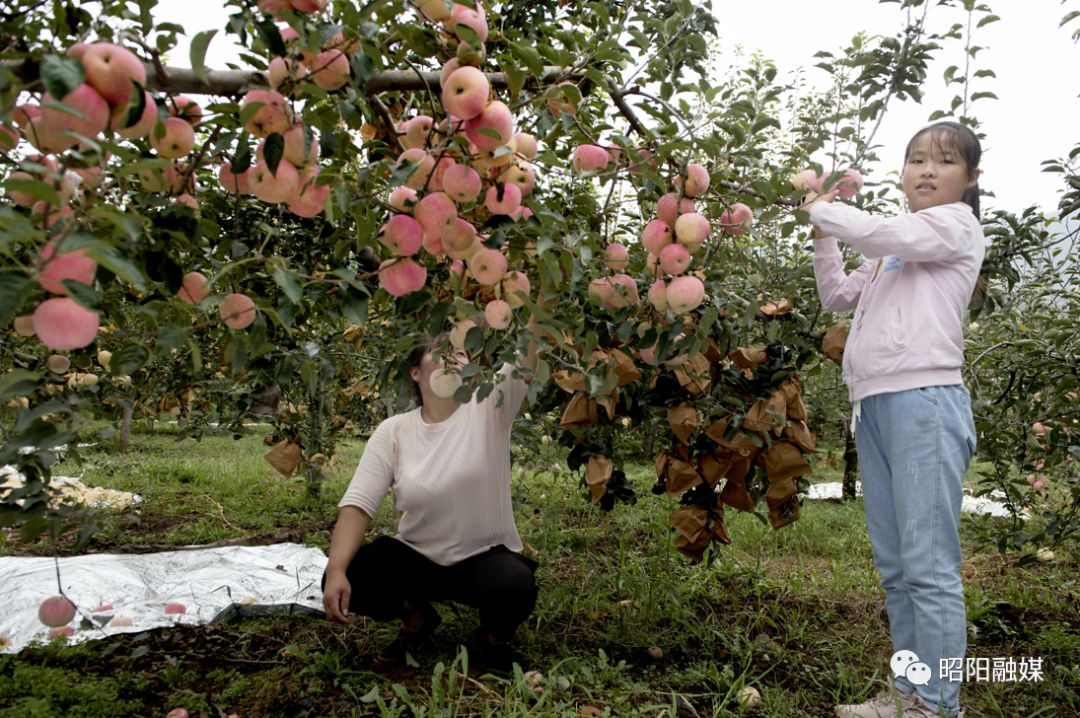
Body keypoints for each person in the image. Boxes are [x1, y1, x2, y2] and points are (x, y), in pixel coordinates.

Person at [804, 121, 984, 718]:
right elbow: (834, 294)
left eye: (945, 161)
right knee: (898, 568)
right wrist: (820, 230)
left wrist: (828, 210)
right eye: (916, 160)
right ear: (902, 174)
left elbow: (881, 229)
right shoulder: (890, 256)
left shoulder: (954, 226)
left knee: (930, 567)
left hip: (924, 402)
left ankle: (938, 705)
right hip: (875, 406)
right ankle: (911, 694)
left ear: (970, 179)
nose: (928, 170)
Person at [321, 323, 544, 671]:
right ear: (414, 371)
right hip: (418, 560)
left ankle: (493, 639)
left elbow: (526, 355)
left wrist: (540, 303)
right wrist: (335, 569)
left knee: (515, 585)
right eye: (439, 352)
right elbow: (359, 505)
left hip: (482, 560)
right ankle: (417, 617)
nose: (452, 358)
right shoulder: (394, 431)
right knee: (353, 572)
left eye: (460, 352)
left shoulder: (490, 408)